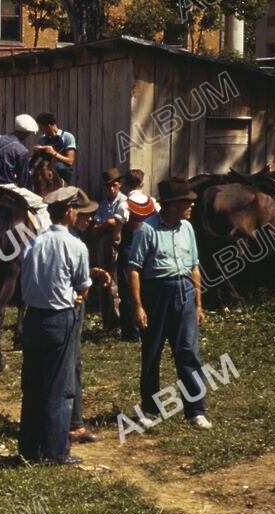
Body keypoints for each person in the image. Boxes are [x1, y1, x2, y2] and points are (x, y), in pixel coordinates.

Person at [128, 177, 212, 430]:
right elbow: (133, 269)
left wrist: (198, 304)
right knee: (152, 353)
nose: (192, 206)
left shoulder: (187, 228)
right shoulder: (147, 230)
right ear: (172, 204)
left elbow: (195, 266)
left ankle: (196, 411)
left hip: (184, 291)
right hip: (157, 293)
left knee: (188, 352)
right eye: (187, 202)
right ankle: (149, 409)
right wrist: (138, 306)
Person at [19, 186, 93, 465]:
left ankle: (28, 447)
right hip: (60, 317)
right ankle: (56, 451)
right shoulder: (76, 245)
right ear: (70, 212)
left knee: (33, 385)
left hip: (33, 318)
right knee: (59, 388)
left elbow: (26, 280)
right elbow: (83, 287)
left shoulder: (33, 243)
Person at [68, 188, 110, 444]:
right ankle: (74, 424)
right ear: (70, 213)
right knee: (73, 364)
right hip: (71, 307)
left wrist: (91, 271)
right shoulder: (74, 242)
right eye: (83, 214)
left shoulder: (70, 237)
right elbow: (75, 282)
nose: (89, 218)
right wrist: (84, 288)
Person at [0, 113, 50, 231]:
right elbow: (23, 181)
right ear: (27, 134)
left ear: (15, 127)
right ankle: (44, 235)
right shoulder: (22, 151)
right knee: (42, 204)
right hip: (5, 188)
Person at [115, 169, 159, 342]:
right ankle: (150, 327)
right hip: (149, 253)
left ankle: (131, 333)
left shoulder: (125, 205)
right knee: (148, 289)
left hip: (130, 251)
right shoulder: (153, 203)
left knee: (127, 292)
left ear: (126, 185)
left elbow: (117, 234)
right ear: (142, 184)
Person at [91, 168, 127, 334]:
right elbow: (96, 229)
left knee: (115, 282)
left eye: (114, 185)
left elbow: (118, 226)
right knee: (102, 280)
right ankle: (107, 321)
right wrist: (107, 224)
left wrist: (106, 225)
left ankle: (119, 321)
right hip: (101, 244)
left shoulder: (124, 202)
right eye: (107, 186)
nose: (111, 189)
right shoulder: (103, 204)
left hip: (116, 244)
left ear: (119, 184)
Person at [33, 112, 77, 185]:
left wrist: (53, 153)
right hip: (45, 167)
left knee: (58, 167)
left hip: (61, 170)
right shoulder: (42, 139)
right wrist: (35, 153)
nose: (41, 131)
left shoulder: (67, 137)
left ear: (49, 126)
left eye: (41, 128)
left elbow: (70, 161)